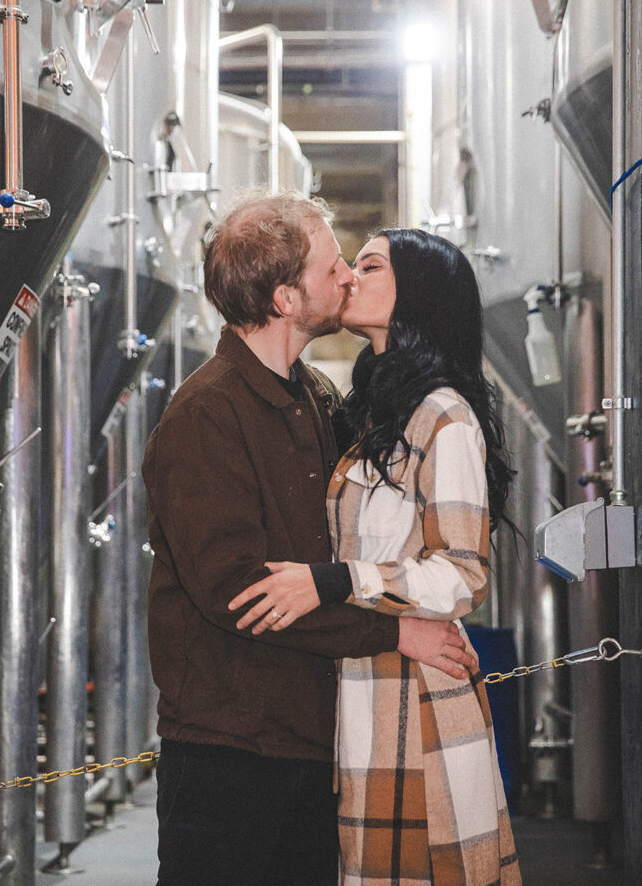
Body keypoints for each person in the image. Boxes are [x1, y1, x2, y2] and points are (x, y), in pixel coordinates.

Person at [142, 191, 473, 886]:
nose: (348, 276)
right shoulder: (206, 414)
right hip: (232, 755)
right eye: (333, 267)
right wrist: (395, 633)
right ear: (286, 299)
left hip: (318, 740)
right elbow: (240, 595)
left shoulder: (315, 396)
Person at [230, 228, 522, 885]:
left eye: (369, 266)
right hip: (366, 682)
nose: (350, 277)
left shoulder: (444, 417)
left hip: (417, 699)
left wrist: (335, 581)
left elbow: (462, 573)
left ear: (417, 293)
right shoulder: (375, 412)